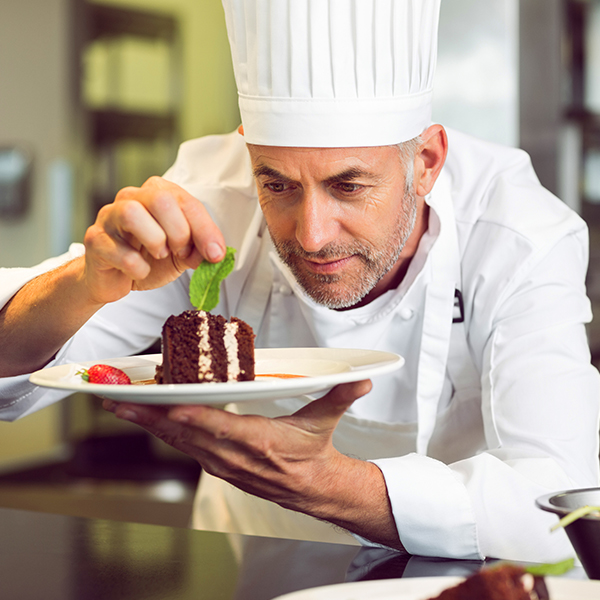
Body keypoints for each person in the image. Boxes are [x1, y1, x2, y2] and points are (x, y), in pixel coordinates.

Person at [0, 0, 599, 563]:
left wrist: (324, 483)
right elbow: (13, 373)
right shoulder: (212, 203)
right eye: (278, 185)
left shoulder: (519, 236)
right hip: (255, 563)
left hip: (465, 577)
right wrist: (84, 282)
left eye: (348, 186)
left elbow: (559, 500)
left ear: (426, 164)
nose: (310, 235)